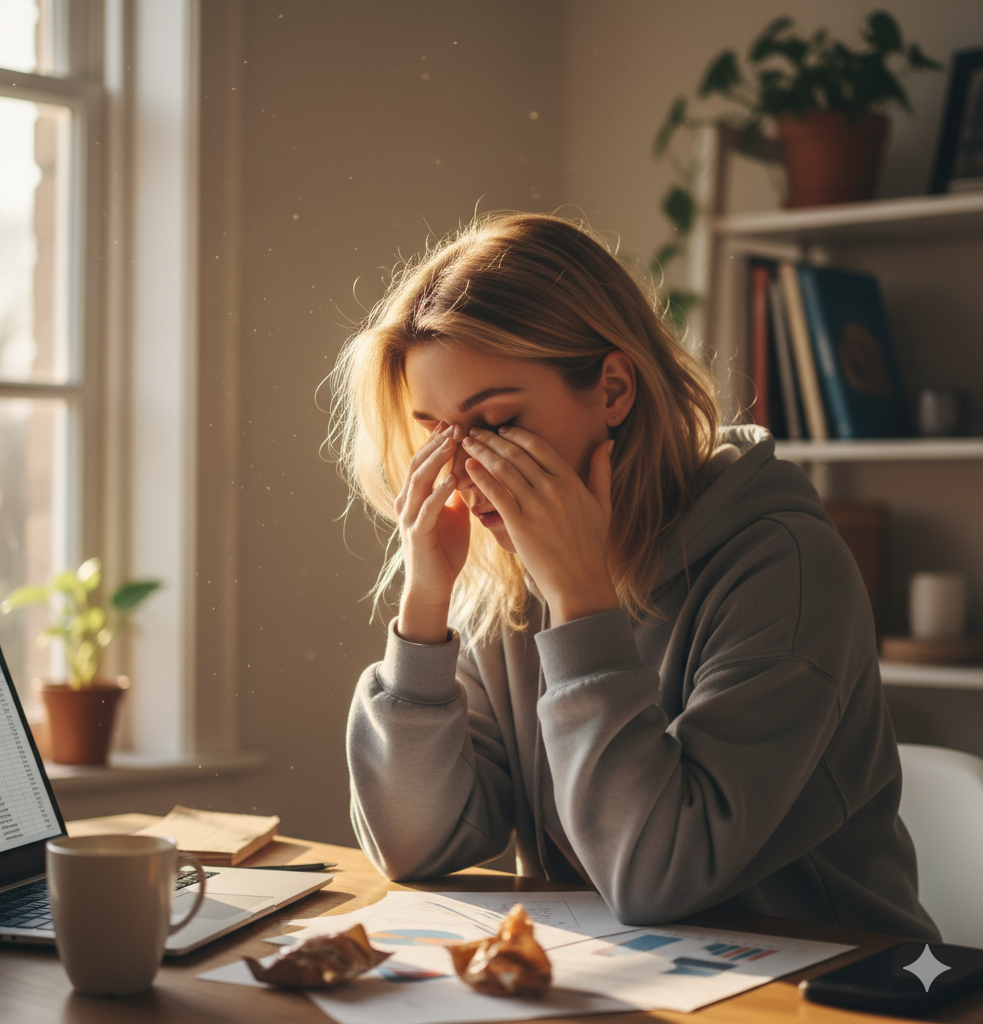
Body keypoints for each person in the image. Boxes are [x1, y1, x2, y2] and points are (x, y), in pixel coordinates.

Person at [331, 212, 938, 939]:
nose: (462, 469)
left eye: (494, 424)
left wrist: (583, 608)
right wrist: (425, 608)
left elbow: (657, 875)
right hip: (626, 984)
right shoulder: (507, 578)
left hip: (831, 991)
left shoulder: (784, 569)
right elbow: (413, 846)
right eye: (435, 431)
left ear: (613, 390)